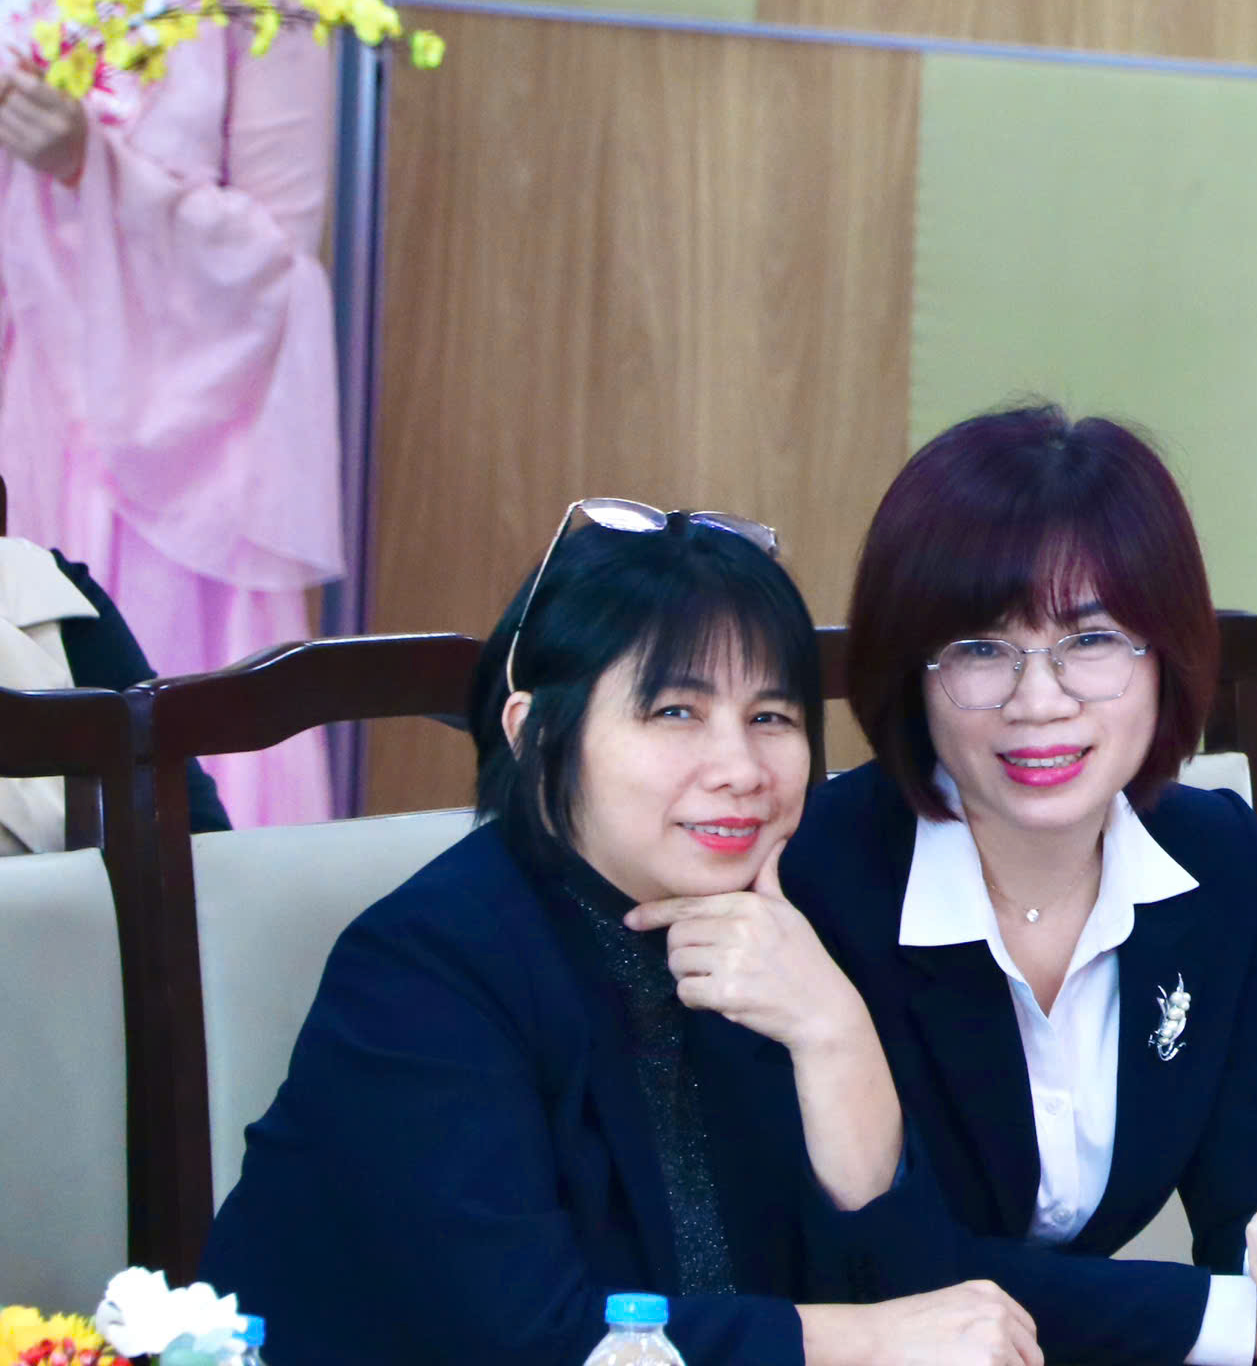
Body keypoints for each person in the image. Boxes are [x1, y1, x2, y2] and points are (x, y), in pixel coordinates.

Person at [201, 501, 1039, 1366]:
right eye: (675, 712)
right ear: (534, 733)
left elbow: (919, 1302)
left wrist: (835, 1035)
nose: (741, 769)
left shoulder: (787, 929)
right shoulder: (422, 969)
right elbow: (529, 1340)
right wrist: (851, 1341)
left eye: (772, 717)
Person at [783, 405, 1257, 1366]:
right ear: (913, 674)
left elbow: (1254, 1207)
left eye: (1092, 640)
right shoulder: (813, 876)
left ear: (1167, 659)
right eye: (981, 649)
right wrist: (1242, 1319)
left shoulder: (1214, 861)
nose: (1039, 701)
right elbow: (878, 1272)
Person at [0, 0, 342, 826]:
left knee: (162, 740)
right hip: (22, 400)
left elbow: (279, 261)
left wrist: (94, 168)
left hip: (174, 442)